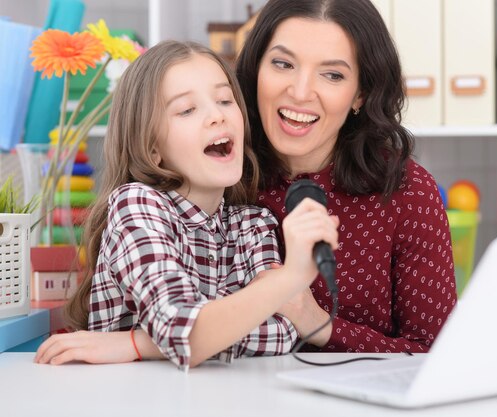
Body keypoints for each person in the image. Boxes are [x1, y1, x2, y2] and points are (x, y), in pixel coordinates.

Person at [37, 0, 457, 363]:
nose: (300, 91)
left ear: (360, 94)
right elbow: (196, 326)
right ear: (254, 72)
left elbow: (434, 353)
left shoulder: (252, 216)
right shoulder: (222, 179)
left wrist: (316, 322)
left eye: (332, 75)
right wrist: (143, 341)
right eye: (282, 63)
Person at [34, 40, 339, 370]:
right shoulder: (136, 205)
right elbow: (186, 333)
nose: (216, 116)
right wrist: (289, 278)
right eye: (187, 110)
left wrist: (135, 342)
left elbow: (282, 334)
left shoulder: (255, 224)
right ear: (152, 149)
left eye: (224, 100)